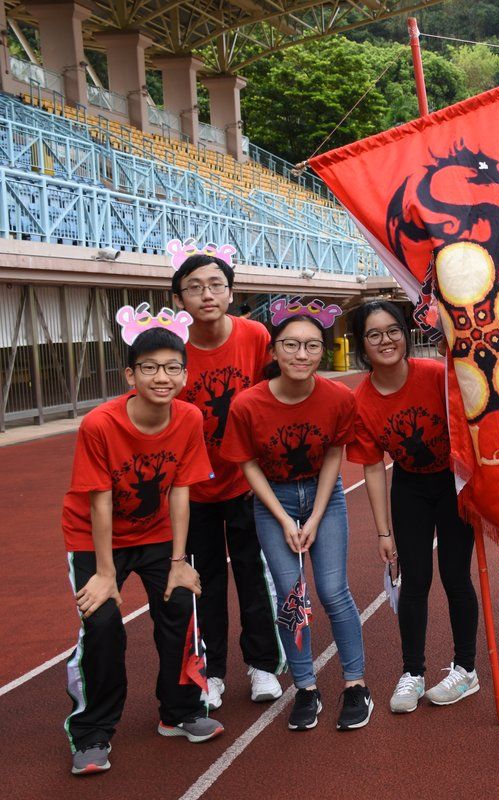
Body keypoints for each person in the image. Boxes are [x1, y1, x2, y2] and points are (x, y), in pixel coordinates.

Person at [63, 322, 223, 776]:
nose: (161, 377)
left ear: (185, 376)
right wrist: (106, 573)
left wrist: (178, 561)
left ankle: (180, 710)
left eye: (173, 368)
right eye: (149, 367)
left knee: (180, 607)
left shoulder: (189, 418)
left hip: (156, 535)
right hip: (94, 536)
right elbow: (99, 499)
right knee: (103, 624)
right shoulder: (100, 424)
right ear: (129, 375)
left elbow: (180, 490)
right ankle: (92, 732)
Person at [221, 310, 373, 731]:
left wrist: (317, 513)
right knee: (291, 596)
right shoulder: (248, 403)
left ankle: (355, 683)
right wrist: (285, 519)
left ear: (322, 351)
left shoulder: (338, 397)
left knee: (332, 590)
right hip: (273, 499)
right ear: (274, 350)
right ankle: (305, 688)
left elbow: (333, 457)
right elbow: (247, 465)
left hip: (324, 496)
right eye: (291, 344)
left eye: (311, 345)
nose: (301, 353)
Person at [346, 300, 479, 713]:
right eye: (374, 334)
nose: (385, 340)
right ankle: (413, 672)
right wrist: (384, 532)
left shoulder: (437, 376)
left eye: (392, 330)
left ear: (406, 334)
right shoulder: (362, 400)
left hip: (453, 483)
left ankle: (466, 669)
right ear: (361, 345)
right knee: (415, 579)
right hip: (410, 487)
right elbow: (372, 468)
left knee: (456, 576)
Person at [173, 251, 283, 709]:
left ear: (231, 292)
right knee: (206, 582)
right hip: (194, 487)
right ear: (179, 299)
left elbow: (275, 394)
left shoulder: (255, 335)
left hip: (245, 481)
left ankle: (261, 665)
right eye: (195, 287)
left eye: (215, 284)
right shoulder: (172, 348)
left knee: (254, 578)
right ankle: (212, 671)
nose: (207, 294)